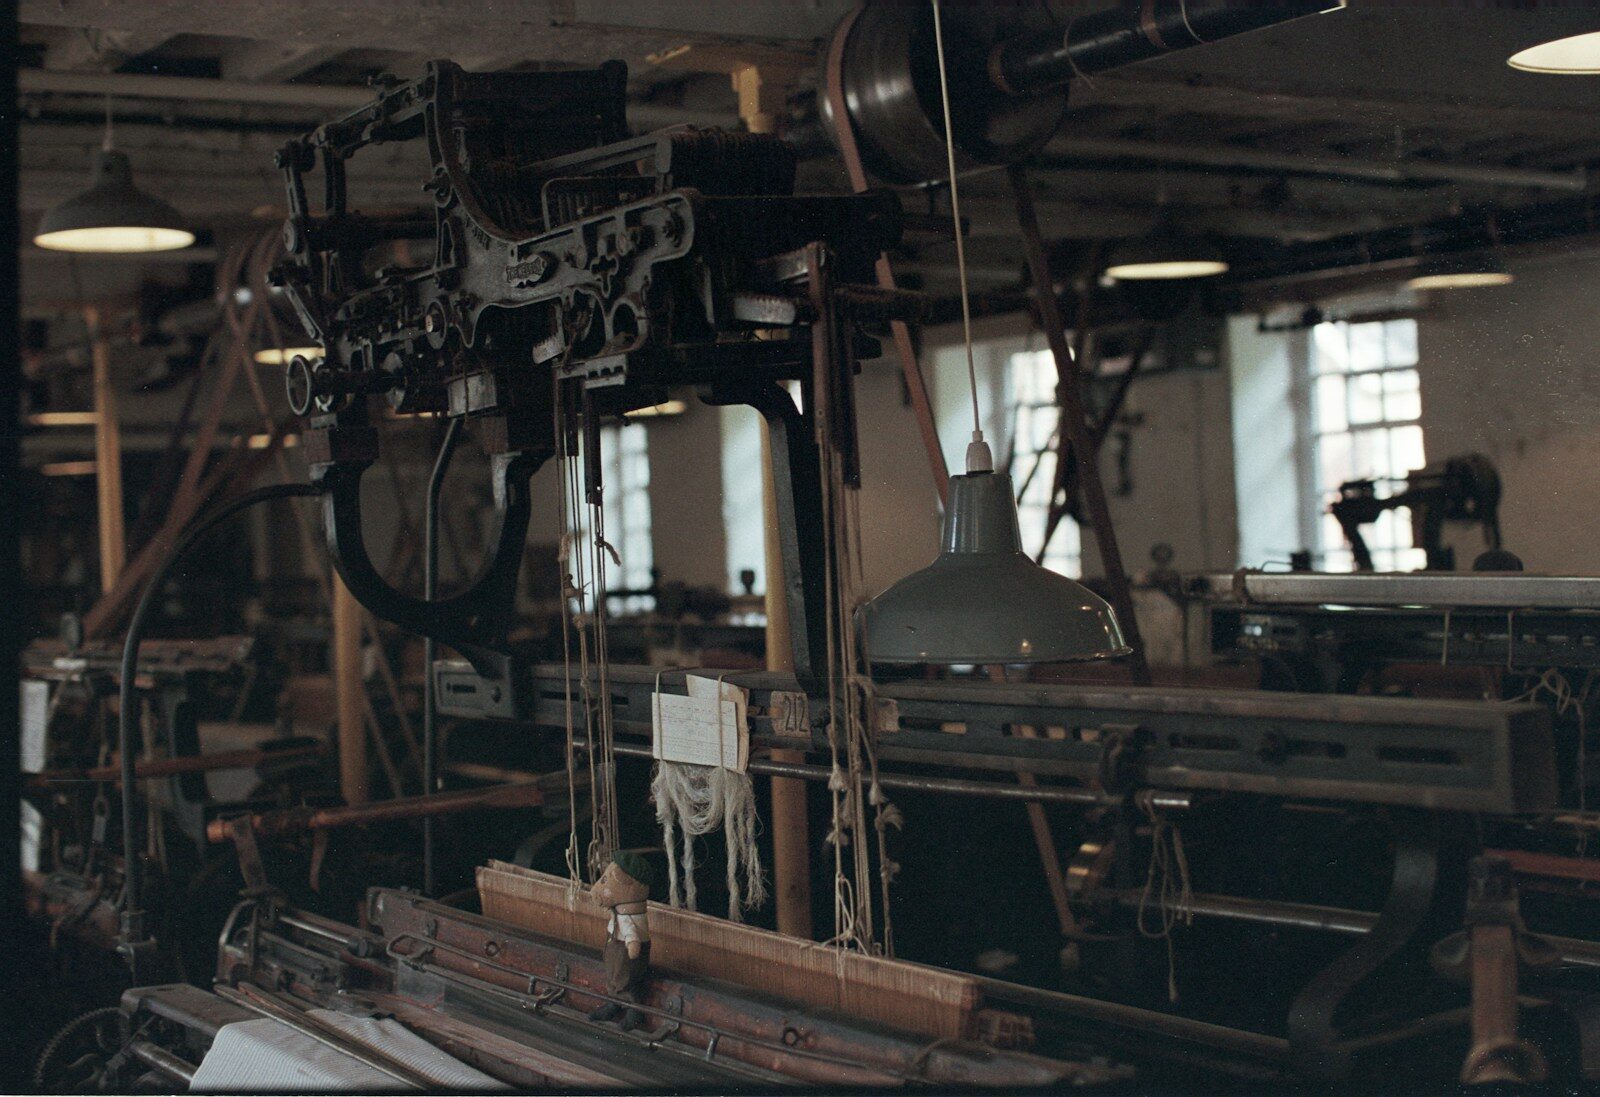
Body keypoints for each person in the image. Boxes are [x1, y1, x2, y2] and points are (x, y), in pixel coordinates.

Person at [587, 850, 655, 1032]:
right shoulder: (620, 912)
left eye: (605, 881)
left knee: (626, 980)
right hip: (616, 945)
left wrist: (632, 945)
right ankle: (614, 1004)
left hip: (625, 950)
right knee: (614, 977)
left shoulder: (628, 916)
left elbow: (632, 934)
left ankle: (635, 1011)